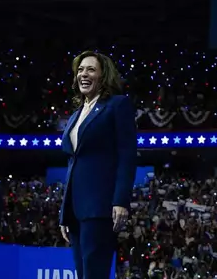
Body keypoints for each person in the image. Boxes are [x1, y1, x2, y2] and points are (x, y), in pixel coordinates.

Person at [59, 50, 137, 279]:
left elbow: (127, 155)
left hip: (100, 206)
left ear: (103, 76)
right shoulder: (75, 115)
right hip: (75, 209)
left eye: (91, 69)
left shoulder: (117, 105)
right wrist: (65, 212)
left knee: (95, 274)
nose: (84, 74)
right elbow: (73, 162)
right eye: (80, 70)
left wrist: (121, 201)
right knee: (82, 273)